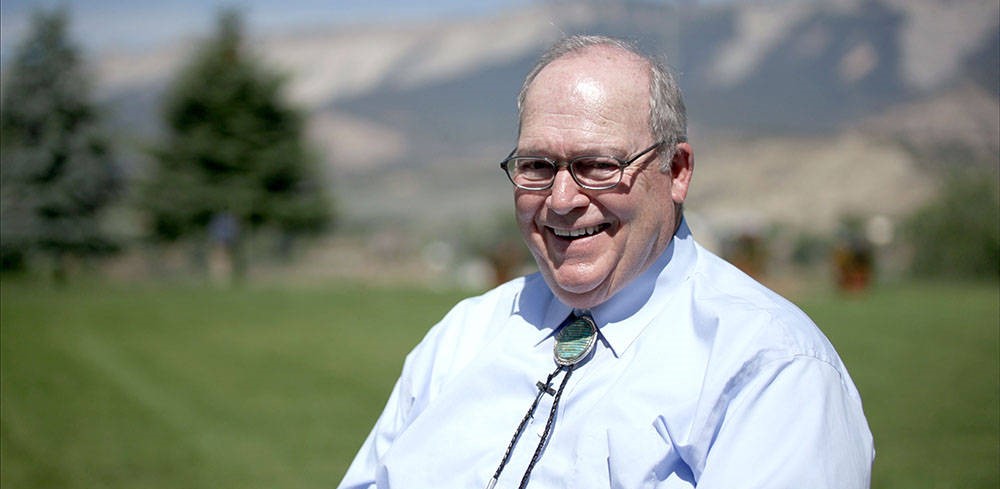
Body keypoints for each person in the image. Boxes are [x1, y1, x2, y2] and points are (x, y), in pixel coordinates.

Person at [338, 35, 874, 489]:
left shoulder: (769, 367)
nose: (563, 199)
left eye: (597, 165)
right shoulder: (461, 338)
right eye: (537, 165)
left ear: (677, 170)